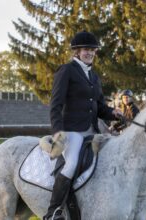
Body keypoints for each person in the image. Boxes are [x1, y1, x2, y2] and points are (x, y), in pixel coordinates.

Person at [45, 31, 122, 220]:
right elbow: (56, 104)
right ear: (77, 52)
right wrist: (58, 132)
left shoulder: (94, 76)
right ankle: (53, 211)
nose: (89, 53)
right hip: (71, 131)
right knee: (70, 165)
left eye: (92, 50)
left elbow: (99, 106)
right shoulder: (67, 70)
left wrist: (113, 112)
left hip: (93, 131)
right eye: (86, 50)